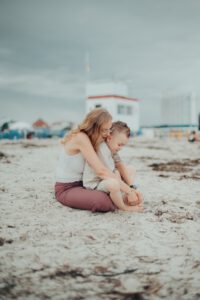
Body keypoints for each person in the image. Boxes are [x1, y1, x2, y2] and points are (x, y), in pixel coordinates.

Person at [55, 108, 142, 212]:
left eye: (109, 129)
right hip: (67, 188)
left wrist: (132, 187)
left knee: (124, 173)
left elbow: (118, 162)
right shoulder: (81, 138)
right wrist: (129, 191)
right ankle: (121, 203)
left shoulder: (96, 139)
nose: (108, 134)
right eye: (105, 130)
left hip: (82, 184)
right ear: (95, 127)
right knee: (103, 202)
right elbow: (101, 171)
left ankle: (120, 199)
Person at [83, 121, 143, 211]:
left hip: (107, 179)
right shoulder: (102, 149)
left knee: (131, 169)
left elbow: (120, 166)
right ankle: (123, 207)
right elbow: (109, 174)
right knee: (114, 183)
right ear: (109, 138)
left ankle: (122, 197)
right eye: (119, 144)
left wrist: (132, 187)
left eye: (123, 145)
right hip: (95, 183)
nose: (120, 148)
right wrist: (129, 192)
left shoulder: (112, 148)